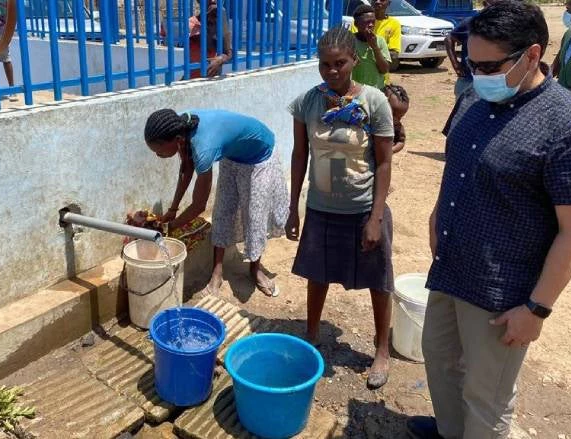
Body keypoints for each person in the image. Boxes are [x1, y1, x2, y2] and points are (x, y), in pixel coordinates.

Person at [408, 2, 571, 438]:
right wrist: (437, 217)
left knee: (487, 396)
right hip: (451, 268)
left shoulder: (570, 126)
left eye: (489, 65)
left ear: (531, 56)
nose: (478, 74)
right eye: (472, 64)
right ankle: (449, 431)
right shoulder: (474, 96)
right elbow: (456, 163)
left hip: (501, 295)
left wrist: (536, 309)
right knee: (439, 360)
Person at [286, 24, 395, 389]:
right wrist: (293, 207)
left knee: (377, 281)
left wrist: (376, 217)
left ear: (354, 59)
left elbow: (382, 162)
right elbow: (300, 154)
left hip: (363, 207)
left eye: (339, 63)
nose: (332, 71)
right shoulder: (308, 102)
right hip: (321, 206)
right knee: (317, 275)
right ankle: (312, 333)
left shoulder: (373, 101)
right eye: (324, 64)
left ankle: (382, 349)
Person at [144, 109, 289, 297]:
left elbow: (199, 205)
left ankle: (255, 269)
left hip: (259, 156)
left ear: (177, 139)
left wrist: (170, 227)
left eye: (159, 150)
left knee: (254, 216)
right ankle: (217, 273)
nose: (158, 155)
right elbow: (186, 167)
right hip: (232, 154)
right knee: (222, 212)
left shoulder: (204, 147)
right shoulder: (180, 126)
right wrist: (173, 209)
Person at [445, 0, 502, 98]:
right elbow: (449, 39)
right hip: (468, 80)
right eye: (495, 6)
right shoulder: (471, 23)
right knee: (462, 110)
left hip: (493, 81)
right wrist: (455, 64)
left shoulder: (503, 26)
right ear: (485, 5)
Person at [352, 0, 402, 81]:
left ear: (389, 3)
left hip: (378, 83)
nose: (378, 2)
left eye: (382, 0)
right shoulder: (350, 38)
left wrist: (375, 47)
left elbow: (393, 56)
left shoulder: (382, 38)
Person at [351, 5, 392, 90]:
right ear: (356, 24)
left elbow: (384, 70)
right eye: (367, 22)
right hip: (356, 92)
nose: (371, 25)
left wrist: (375, 47)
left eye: (373, 22)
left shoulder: (380, 41)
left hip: (376, 91)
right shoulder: (349, 41)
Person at [188, 0, 233, 79]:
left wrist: (221, 59)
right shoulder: (192, 22)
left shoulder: (220, 20)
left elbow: (228, 53)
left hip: (211, 80)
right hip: (192, 80)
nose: (213, 0)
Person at [384, 84, 409, 154]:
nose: (396, 120)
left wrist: (392, 150)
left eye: (400, 117)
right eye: (393, 115)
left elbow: (401, 141)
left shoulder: (396, 126)